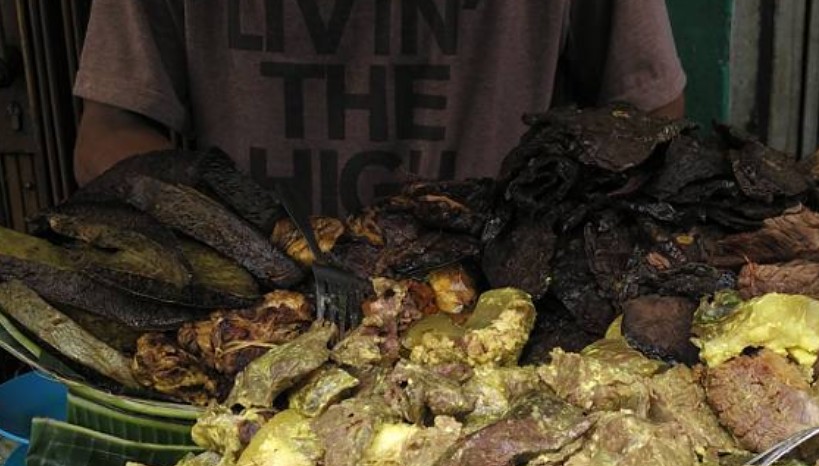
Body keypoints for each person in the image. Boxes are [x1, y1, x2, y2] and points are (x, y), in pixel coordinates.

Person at [73, 0, 685, 215]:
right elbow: (110, 135)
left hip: (500, 324)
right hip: (256, 322)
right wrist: (248, 249)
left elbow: (649, 118)